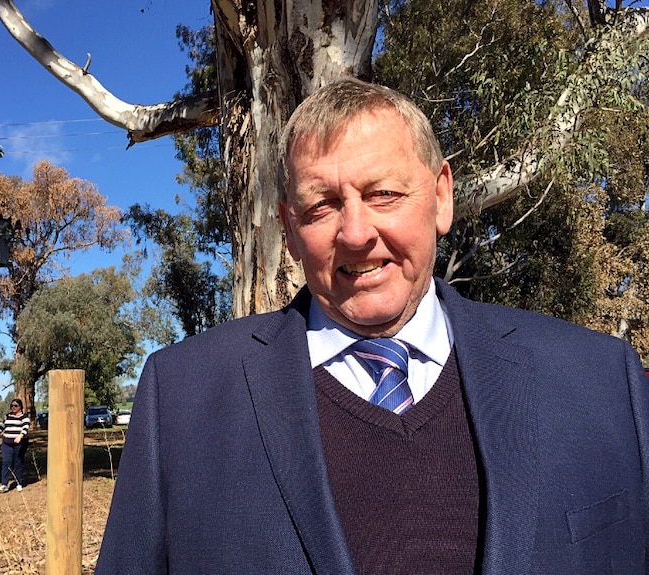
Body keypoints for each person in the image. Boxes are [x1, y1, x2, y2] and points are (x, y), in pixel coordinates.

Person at [95, 78, 649, 574]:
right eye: (322, 206)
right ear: (288, 228)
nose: (356, 232)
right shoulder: (183, 400)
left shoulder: (601, 381)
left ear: (440, 196)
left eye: (383, 193)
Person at [0, 398, 30, 493]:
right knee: (6, 462)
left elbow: (25, 427)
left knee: (18, 462)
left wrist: (20, 436)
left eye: (16, 406)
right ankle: (4, 484)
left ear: (20, 407)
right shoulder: (8, 416)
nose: (13, 407)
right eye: (12, 405)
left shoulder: (24, 417)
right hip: (6, 443)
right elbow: (2, 427)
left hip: (19, 444)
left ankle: (19, 482)